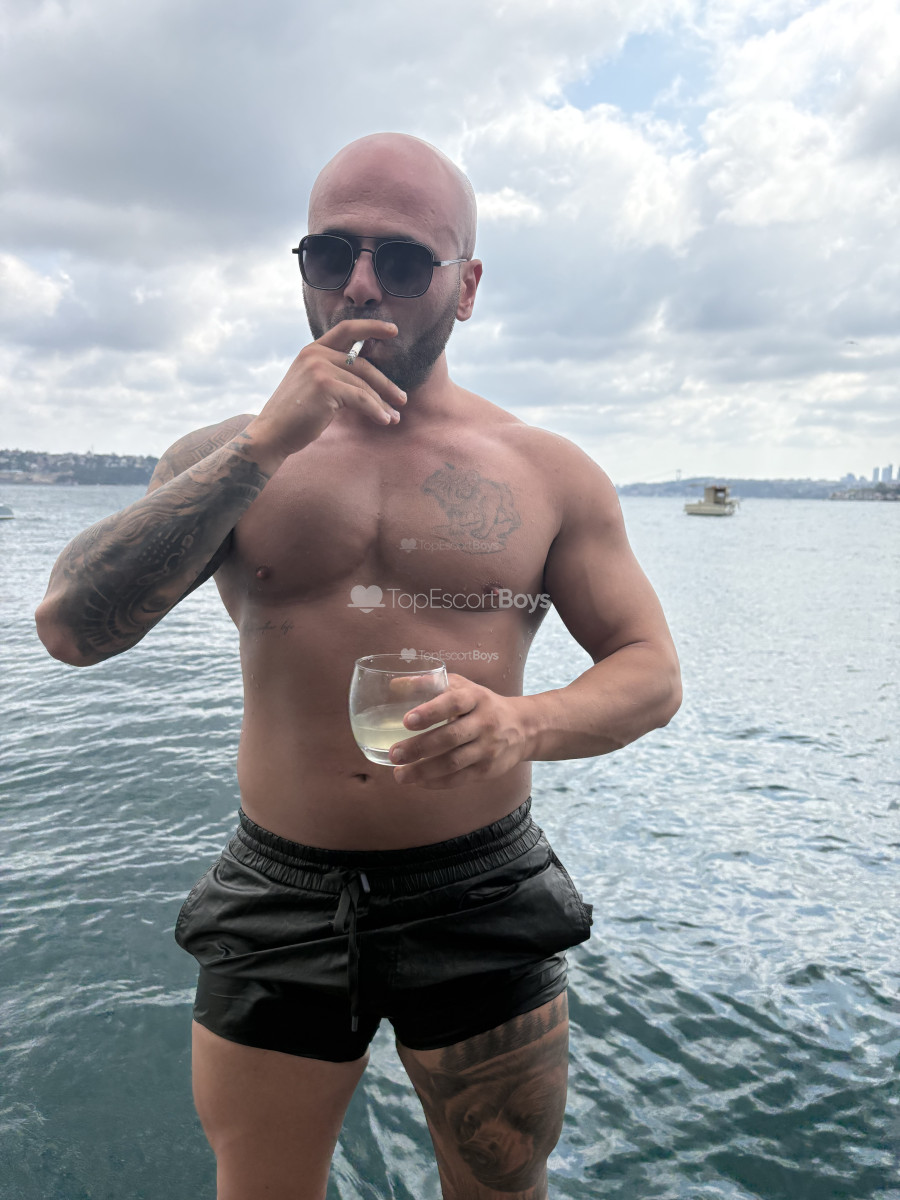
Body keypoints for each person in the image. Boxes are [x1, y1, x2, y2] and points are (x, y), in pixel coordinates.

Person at [35, 132, 682, 1200]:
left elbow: (650, 669)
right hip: (279, 889)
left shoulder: (545, 471)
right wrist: (261, 449)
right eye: (333, 252)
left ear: (467, 285)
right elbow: (70, 630)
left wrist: (524, 723)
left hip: (478, 885)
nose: (363, 284)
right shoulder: (223, 459)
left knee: (499, 1189)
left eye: (406, 258)